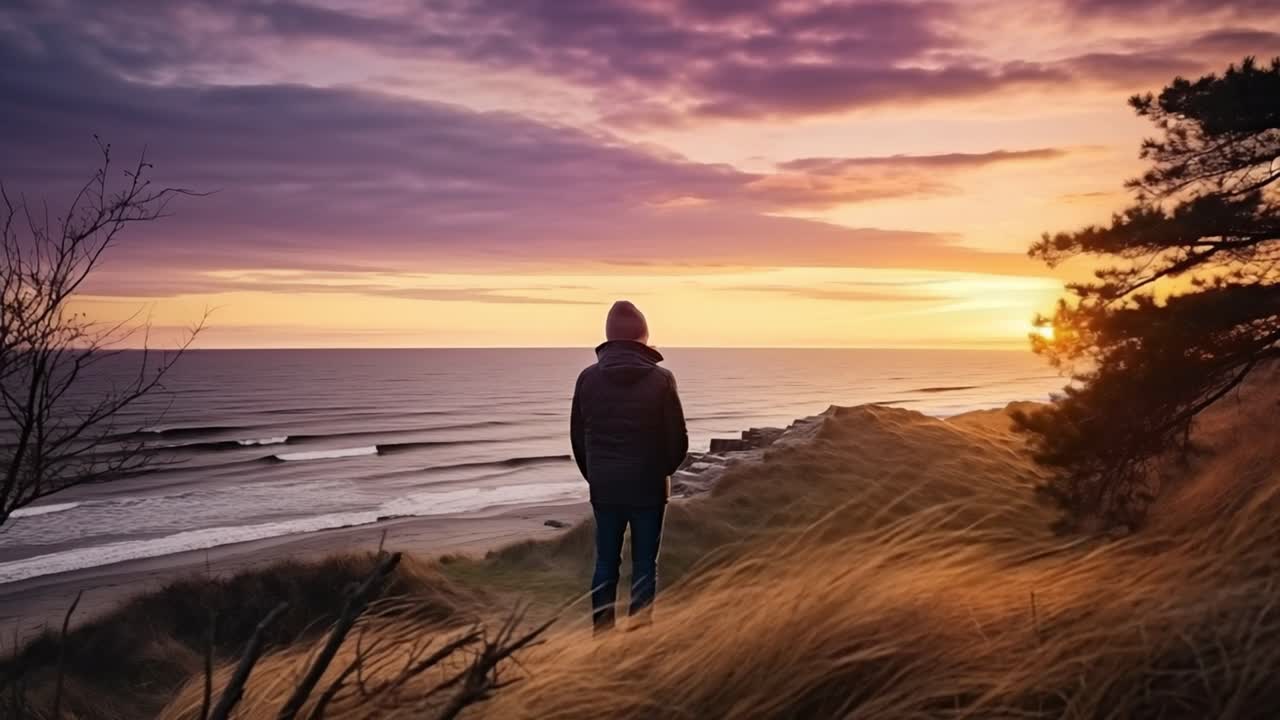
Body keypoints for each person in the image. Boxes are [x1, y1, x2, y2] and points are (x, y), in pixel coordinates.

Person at [570, 300, 688, 634]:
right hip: (649, 490)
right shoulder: (662, 379)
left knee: (605, 564)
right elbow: (678, 441)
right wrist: (658, 473)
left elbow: (578, 439)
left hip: (605, 488)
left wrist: (596, 476)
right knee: (644, 566)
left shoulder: (587, 379)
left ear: (609, 338)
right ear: (643, 338)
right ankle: (638, 639)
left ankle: (602, 637)